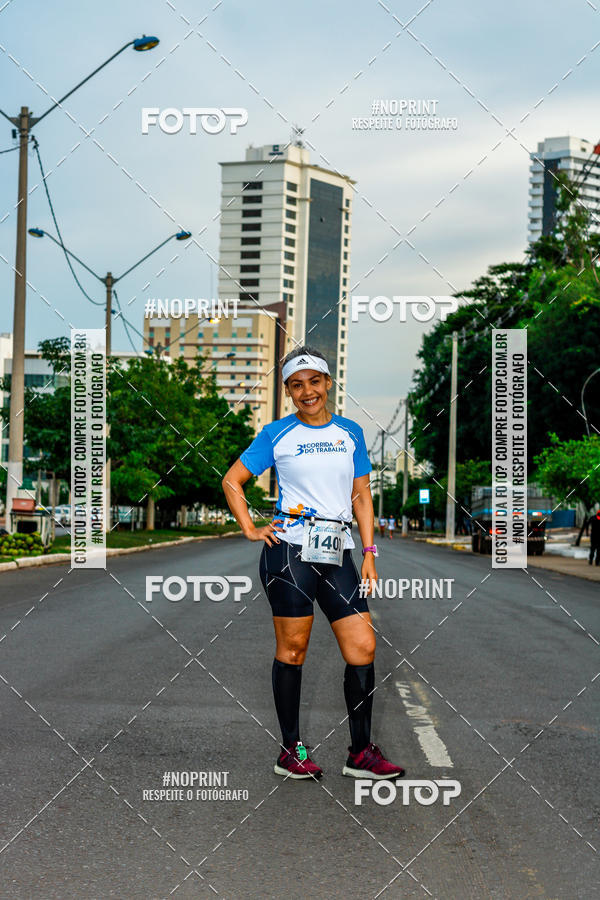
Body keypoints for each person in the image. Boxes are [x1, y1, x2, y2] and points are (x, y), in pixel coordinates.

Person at [222, 347, 405, 782]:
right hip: (290, 552)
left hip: (337, 553)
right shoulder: (276, 433)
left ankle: (360, 754)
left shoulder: (350, 432)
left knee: (362, 646)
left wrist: (369, 553)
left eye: (314, 382)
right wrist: (250, 527)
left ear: (328, 383)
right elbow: (232, 480)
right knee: (293, 650)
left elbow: (362, 496)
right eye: (297, 385)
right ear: (288, 391)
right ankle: (291, 750)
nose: (308, 391)